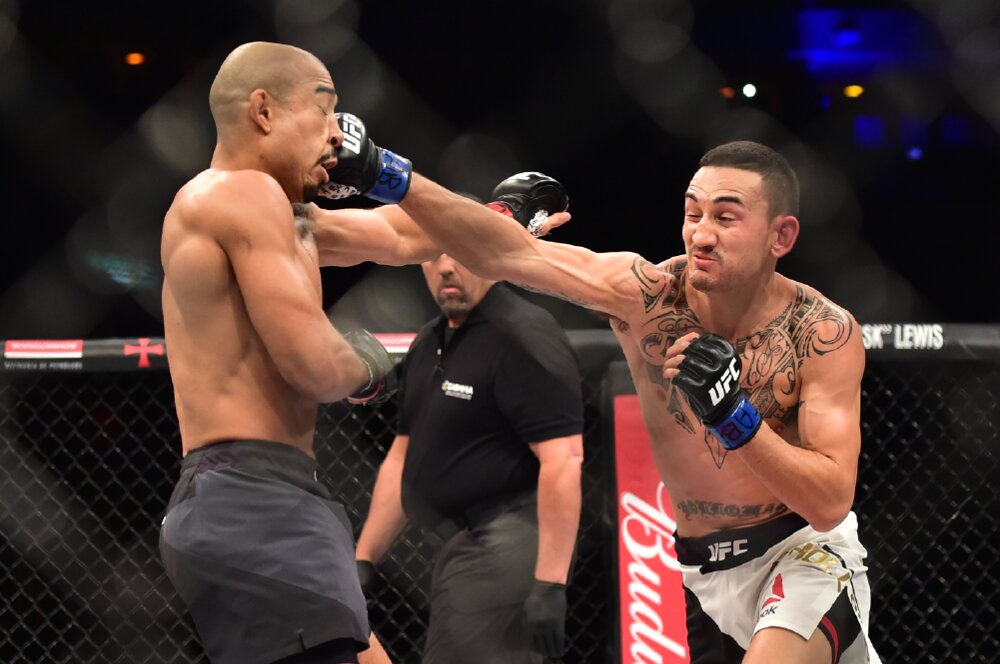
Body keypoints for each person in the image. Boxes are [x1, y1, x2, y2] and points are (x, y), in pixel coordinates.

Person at [368, 143, 883, 663]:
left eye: (726, 217)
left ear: (782, 235)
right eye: (693, 213)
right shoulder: (646, 298)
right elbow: (503, 254)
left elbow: (829, 502)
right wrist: (389, 175)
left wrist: (734, 416)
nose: (702, 234)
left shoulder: (821, 332)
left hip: (802, 554)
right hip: (703, 573)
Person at [157, 41, 463, 664]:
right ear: (264, 112)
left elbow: (406, 236)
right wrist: (370, 363)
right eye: (325, 113)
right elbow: (318, 367)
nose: (338, 136)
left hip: (262, 499)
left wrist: (500, 218)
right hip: (254, 501)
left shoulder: (282, 218)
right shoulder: (241, 194)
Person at [354, 251, 585, 663]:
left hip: (510, 541)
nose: (446, 266)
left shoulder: (523, 333)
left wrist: (550, 583)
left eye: (459, 252)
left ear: (486, 253)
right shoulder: (430, 341)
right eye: (432, 254)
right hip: (460, 544)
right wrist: (365, 558)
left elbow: (564, 458)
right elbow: (403, 457)